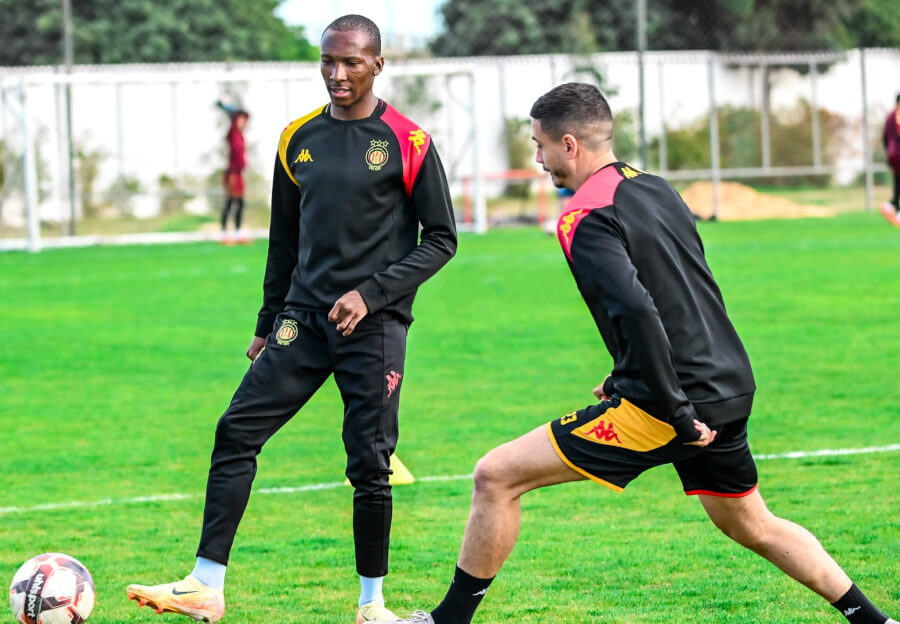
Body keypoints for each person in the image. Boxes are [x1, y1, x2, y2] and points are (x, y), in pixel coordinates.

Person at [372, 83, 897, 624]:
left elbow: (638, 310)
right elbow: (682, 293)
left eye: (540, 146)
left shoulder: (583, 216)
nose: (538, 159)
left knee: (495, 475)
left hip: (672, 404)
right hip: (727, 382)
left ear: (569, 145)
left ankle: (446, 621)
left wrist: (674, 410)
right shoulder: (657, 188)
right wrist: (628, 371)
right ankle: (876, 622)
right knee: (752, 524)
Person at [126, 14, 457, 624]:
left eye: (352, 62)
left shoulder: (410, 143)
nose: (337, 74)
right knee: (236, 431)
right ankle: (205, 584)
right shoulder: (295, 139)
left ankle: (371, 606)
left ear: (377, 65)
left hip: (374, 328)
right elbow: (284, 240)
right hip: (299, 321)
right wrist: (263, 322)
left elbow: (441, 239)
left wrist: (373, 294)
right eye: (328, 61)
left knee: (369, 464)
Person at [215, 101, 250, 244]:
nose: (243, 122)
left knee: (240, 203)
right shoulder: (232, 133)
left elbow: (247, 114)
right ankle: (224, 234)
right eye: (240, 120)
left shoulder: (241, 135)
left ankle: (238, 233)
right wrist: (225, 105)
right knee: (230, 202)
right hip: (232, 173)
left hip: (239, 173)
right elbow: (236, 114)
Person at [882, 93, 900, 218]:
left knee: (897, 179)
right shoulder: (897, 115)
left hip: (892, 153)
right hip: (898, 153)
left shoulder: (889, 116)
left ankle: (893, 204)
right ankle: (895, 206)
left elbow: (884, 137)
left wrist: (888, 151)